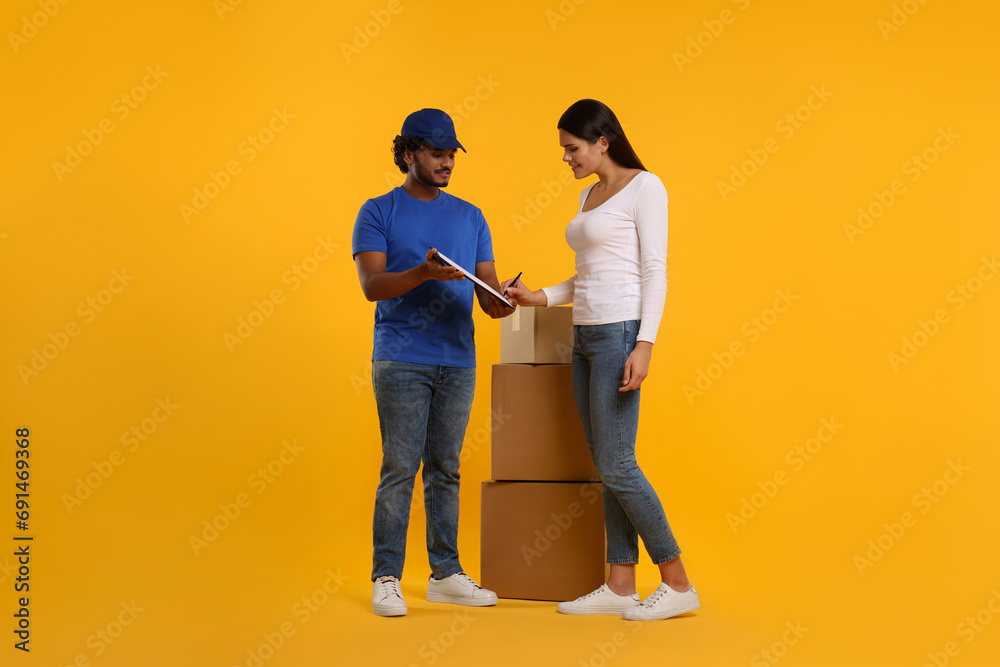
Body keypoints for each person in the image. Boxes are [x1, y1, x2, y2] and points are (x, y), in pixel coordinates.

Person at [502, 99, 698, 621]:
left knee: (617, 463)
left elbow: (654, 271)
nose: (566, 158)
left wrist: (645, 343)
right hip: (584, 336)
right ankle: (620, 582)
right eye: (564, 150)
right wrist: (537, 296)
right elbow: (586, 275)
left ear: (602, 141)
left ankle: (677, 582)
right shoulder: (590, 195)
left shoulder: (645, 187)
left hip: (619, 335)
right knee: (605, 464)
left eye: (572, 148)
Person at [353, 108, 512, 617]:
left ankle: (445, 573)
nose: (446, 162)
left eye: (450, 154)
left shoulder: (471, 216)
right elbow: (372, 287)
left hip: (457, 361)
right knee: (400, 468)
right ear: (408, 154)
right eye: (437, 153)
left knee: (445, 469)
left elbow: (487, 295)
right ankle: (386, 577)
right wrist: (421, 273)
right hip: (401, 359)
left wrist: (502, 300)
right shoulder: (377, 211)